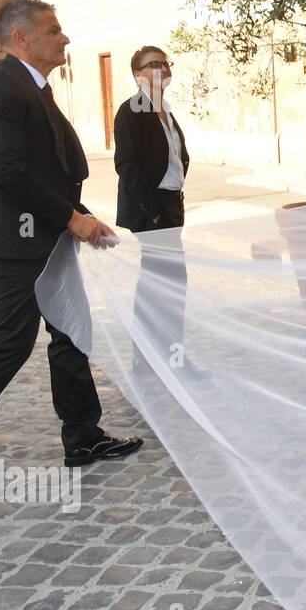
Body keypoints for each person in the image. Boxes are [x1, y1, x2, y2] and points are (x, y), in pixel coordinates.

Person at [0, 0, 141, 466]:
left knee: (71, 332)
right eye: (53, 30)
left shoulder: (36, 88)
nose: (64, 37)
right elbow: (9, 172)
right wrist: (71, 219)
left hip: (50, 236)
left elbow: (51, 170)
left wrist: (80, 216)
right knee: (11, 343)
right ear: (22, 39)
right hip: (17, 242)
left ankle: (84, 436)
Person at [113, 46, 203, 379]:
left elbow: (176, 158)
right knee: (160, 285)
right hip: (150, 210)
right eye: (155, 64)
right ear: (138, 75)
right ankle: (151, 361)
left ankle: (167, 356)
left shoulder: (164, 109)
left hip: (170, 205)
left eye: (166, 63)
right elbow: (126, 165)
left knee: (169, 285)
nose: (163, 68)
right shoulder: (131, 111)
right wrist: (151, 211)